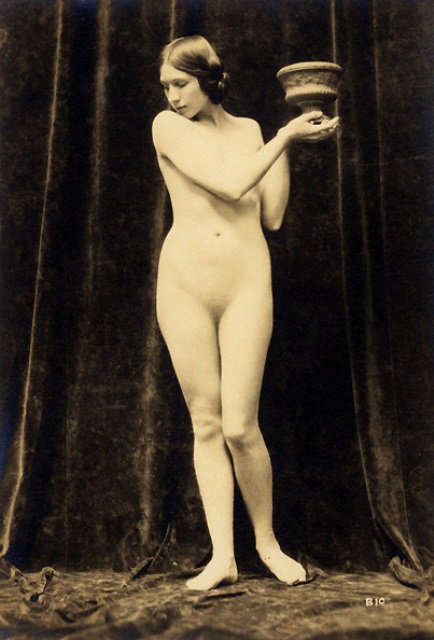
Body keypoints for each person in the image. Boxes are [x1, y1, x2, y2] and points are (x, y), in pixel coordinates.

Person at [152, 35, 338, 591]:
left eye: (180, 84)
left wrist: (288, 144)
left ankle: (267, 544)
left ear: (209, 80)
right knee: (207, 423)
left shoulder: (252, 131)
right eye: (166, 86)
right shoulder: (167, 127)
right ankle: (223, 558)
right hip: (185, 284)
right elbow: (233, 186)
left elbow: (272, 216)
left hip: (246, 284)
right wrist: (285, 136)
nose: (172, 96)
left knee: (239, 425)